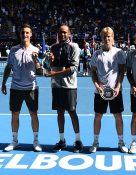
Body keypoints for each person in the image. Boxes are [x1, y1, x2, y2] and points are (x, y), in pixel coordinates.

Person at [1, 23, 42, 152]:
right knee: (14, 114)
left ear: (30, 34)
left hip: (31, 88)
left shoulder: (35, 50)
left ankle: (36, 141)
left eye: (27, 32)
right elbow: (8, 68)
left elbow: (40, 71)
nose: (25, 34)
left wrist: (36, 60)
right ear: (20, 34)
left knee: (33, 114)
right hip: (16, 88)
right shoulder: (13, 50)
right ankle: (14, 141)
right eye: (23, 32)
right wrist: (3, 83)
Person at [45, 24, 83, 153]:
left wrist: (54, 74)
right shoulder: (53, 47)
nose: (62, 34)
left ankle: (78, 141)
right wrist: (50, 61)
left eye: (65, 32)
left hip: (69, 85)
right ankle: (62, 141)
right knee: (59, 113)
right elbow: (50, 66)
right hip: (56, 85)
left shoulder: (74, 47)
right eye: (60, 32)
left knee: (72, 112)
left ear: (69, 34)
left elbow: (73, 68)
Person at [89, 27, 128, 153]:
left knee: (118, 116)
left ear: (113, 38)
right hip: (100, 92)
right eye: (105, 36)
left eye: (109, 36)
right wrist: (97, 86)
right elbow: (93, 72)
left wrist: (117, 87)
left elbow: (122, 71)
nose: (107, 38)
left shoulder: (119, 53)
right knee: (98, 116)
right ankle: (95, 142)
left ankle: (121, 142)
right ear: (101, 39)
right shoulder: (96, 54)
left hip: (115, 92)